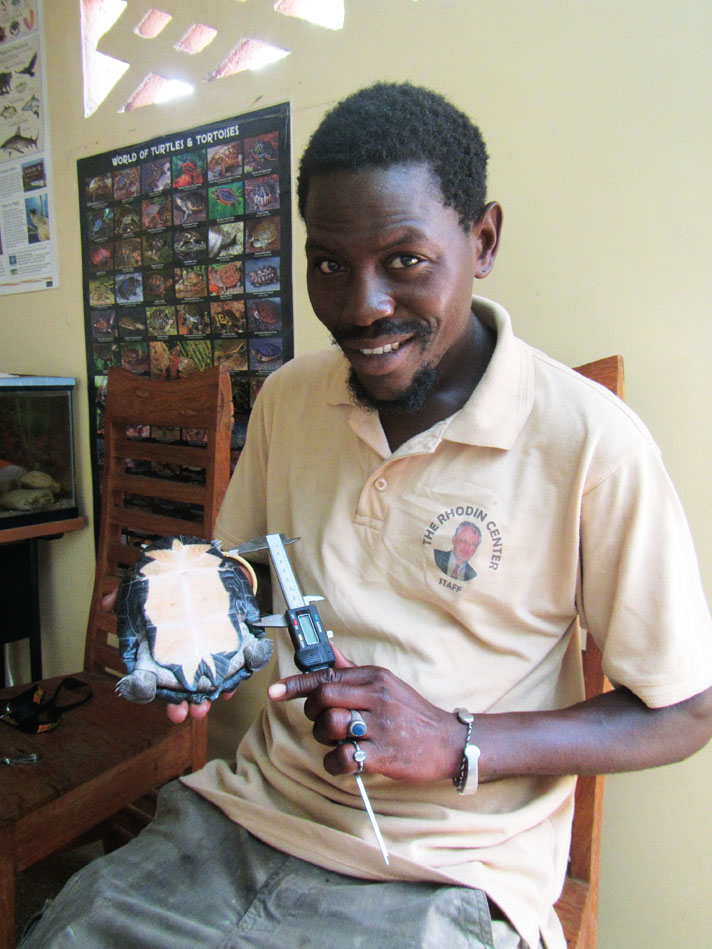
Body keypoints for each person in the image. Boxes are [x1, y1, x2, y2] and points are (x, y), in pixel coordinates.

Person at [23, 82, 712, 949]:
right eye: (328, 263)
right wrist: (203, 629)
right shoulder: (288, 398)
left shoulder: (591, 441)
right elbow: (256, 562)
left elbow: (686, 710)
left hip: (448, 871)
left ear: (484, 239)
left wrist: (457, 741)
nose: (361, 306)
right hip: (247, 818)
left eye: (405, 260)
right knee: (62, 931)